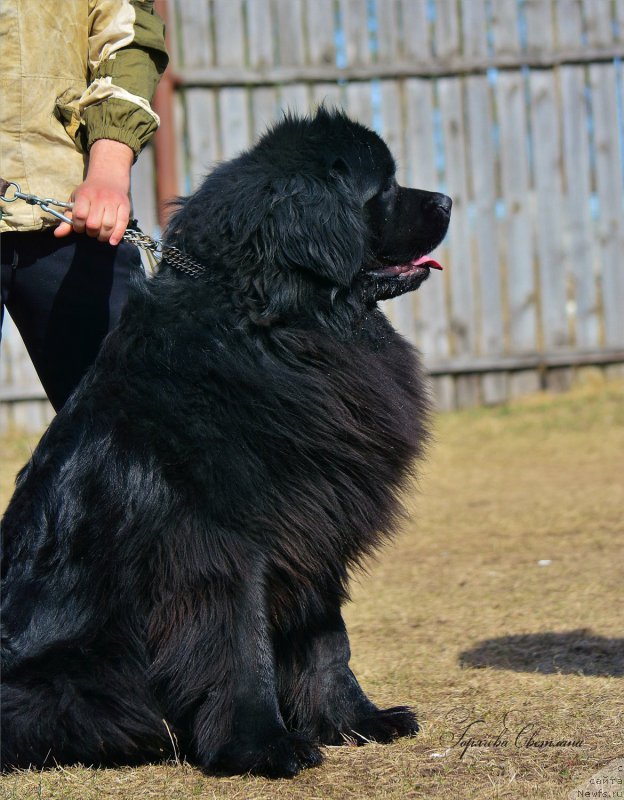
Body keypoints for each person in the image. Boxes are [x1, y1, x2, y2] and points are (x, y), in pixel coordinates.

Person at [0, 1, 168, 411]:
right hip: (68, 208)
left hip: (70, 208)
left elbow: (127, 38)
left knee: (138, 419)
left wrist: (109, 168)